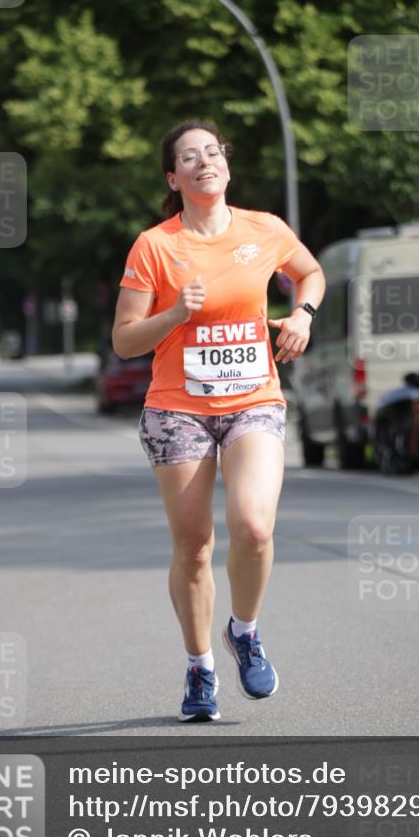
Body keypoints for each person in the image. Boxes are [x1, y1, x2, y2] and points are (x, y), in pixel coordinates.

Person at [112, 120, 325, 721]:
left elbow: (310, 272)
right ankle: (199, 666)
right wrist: (176, 312)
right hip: (177, 409)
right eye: (189, 156)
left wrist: (303, 314)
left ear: (226, 165)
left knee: (254, 527)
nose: (204, 161)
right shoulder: (155, 246)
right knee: (196, 547)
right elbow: (125, 341)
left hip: (254, 398)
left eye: (213, 151)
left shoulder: (266, 229)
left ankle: (246, 632)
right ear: (173, 178)